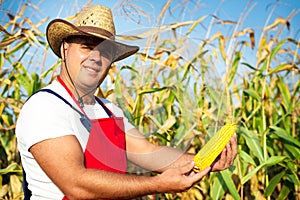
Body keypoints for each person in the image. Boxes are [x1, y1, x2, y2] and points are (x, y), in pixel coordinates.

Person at [16, 4, 237, 200]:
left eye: (104, 51)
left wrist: (202, 162)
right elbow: (76, 184)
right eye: (86, 46)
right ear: (65, 48)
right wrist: (158, 185)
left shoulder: (108, 110)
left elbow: (149, 152)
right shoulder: (45, 107)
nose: (95, 57)